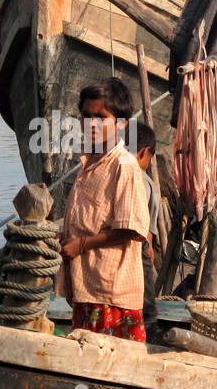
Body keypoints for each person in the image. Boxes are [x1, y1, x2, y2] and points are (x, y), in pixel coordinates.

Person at [56, 79, 152, 342]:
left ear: (120, 123)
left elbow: (131, 230)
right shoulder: (88, 162)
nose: (92, 124)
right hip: (86, 285)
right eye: (87, 116)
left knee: (115, 364)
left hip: (112, 292)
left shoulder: (124, 165)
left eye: (101, 117)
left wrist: (82, 244)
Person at [132, 121, 161, 338]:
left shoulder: (114, 172)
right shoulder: (146, 182)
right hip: (138, 245)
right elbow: (148, 234)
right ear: (145, 153)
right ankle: (148, 339)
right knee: (146, 307)